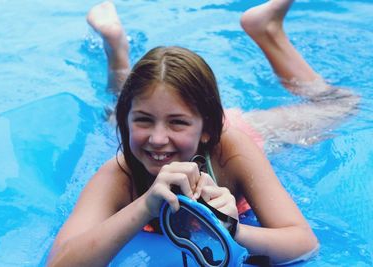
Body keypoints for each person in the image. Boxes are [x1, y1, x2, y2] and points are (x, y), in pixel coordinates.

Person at [47, 0, 358, 266]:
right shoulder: (120, 173)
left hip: (244, 129)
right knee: (118, 109)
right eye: (142, 121)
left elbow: (304, 242)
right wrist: (144, 206)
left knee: (342, 104)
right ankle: (116, 48)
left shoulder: (232, 149)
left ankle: (268, 32)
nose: (157, 138)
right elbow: (59, 262)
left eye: (177, 123)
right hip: (140, 122)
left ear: (208, 129)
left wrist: (230, 229)